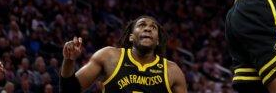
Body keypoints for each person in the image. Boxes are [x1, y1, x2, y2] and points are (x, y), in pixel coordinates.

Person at [58, 16, 186, 93]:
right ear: (131, 37)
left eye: (153, 28)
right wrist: (69, 60)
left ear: (158, 40)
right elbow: (69, 90)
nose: (148, 28)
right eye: (141, 25)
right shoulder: (109, 56)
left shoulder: (172, 71)